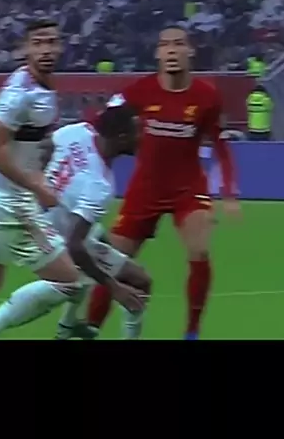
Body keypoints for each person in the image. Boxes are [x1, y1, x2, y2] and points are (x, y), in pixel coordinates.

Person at [0, 19, 139, 340]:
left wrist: (41, 153)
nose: (45, 49)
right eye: (38, 43)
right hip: (10, 203)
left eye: (51, 42)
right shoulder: (24, 93)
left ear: (60, 46)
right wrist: (36, 186)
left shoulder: (32, 83)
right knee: (70, 281)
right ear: (25, 48)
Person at [87, 24, 240, 340]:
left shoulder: (207, 96)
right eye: (166, 44)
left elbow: (221, 146)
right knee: (110, 262)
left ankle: (192, 331)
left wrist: (228, 192)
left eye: (179, 44)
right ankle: (90, 330)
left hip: (188, 189)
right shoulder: (139, 91)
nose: (172, 50)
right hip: (145, 189)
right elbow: (103, 124)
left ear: (190, 51)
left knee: (199, 250)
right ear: (158, 53)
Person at [0, 103, 150, 341]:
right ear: (122, 137)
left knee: (126, 275)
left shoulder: (80, 131)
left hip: (32, 212)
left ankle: (66, 327)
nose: (142, 137)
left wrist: (42, 181)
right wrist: (114, 288)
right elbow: (76, 246)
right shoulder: (100, 186)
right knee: (73, 280)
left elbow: (45, 146)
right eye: (138, 132)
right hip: (49, 232)